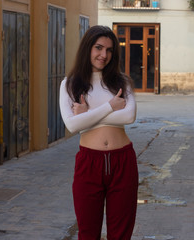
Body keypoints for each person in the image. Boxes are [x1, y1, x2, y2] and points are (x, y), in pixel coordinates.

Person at [59, 25, 138, 240]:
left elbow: (129, 117)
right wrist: (111, 106)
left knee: (121, 233)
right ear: (87, 48)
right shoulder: (69, 84)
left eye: (110, 50)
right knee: (87, 232)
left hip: (123, 162)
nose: (104, 55)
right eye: (99, 48)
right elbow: (72, 126)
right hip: (88, 164)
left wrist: (87, 115)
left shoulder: (122, 82)